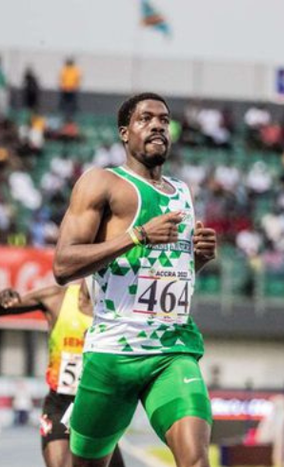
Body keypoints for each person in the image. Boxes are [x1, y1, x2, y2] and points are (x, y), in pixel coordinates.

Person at [52, 92, 218, 466]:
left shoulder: (183, 192)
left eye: (164, 119)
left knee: (196, 459)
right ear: (124, 133)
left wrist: (198, 260)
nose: (158, 125)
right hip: (113, 353)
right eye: (145, 118)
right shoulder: (101, 183)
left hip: (172, 349)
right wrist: (138, 235)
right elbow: (62, 266)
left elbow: (162, 274)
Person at [0, 281, 125, 467]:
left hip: (97, 407)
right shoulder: (56, 298)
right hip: (60, 404)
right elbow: (7, 306)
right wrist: (4, 299)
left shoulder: (118, 309)